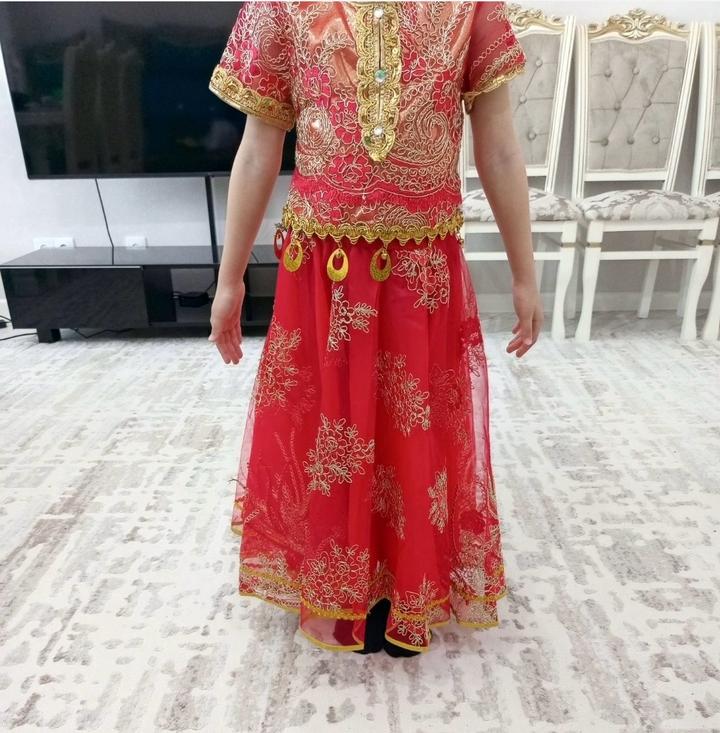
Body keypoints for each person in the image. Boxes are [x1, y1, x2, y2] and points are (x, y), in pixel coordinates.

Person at [208, 1, 541, 657]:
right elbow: (258, 146)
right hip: (325, 271)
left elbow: (500, 148)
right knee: (334, 425)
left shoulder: (469, 5)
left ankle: (407, 580)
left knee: (413, 426)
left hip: (421, 267)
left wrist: (524, 273)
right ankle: (340, 579)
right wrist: (229, 277)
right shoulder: (282, 5)